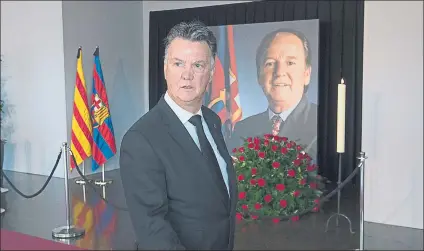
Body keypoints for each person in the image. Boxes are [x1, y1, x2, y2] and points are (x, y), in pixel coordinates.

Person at [120, 20, 238, 250]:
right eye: (178, 63)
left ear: (211, 73)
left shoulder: (212, 121)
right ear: (165, 68)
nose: (187, 75)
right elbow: (153, 230)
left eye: (198, 65)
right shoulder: (141, 140)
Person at [228, 28, 318, 160]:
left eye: (290, 63)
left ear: (306, 74)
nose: (279, 72)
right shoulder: (243, 129)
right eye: (270, 63)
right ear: (259, 75)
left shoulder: (321, 123)